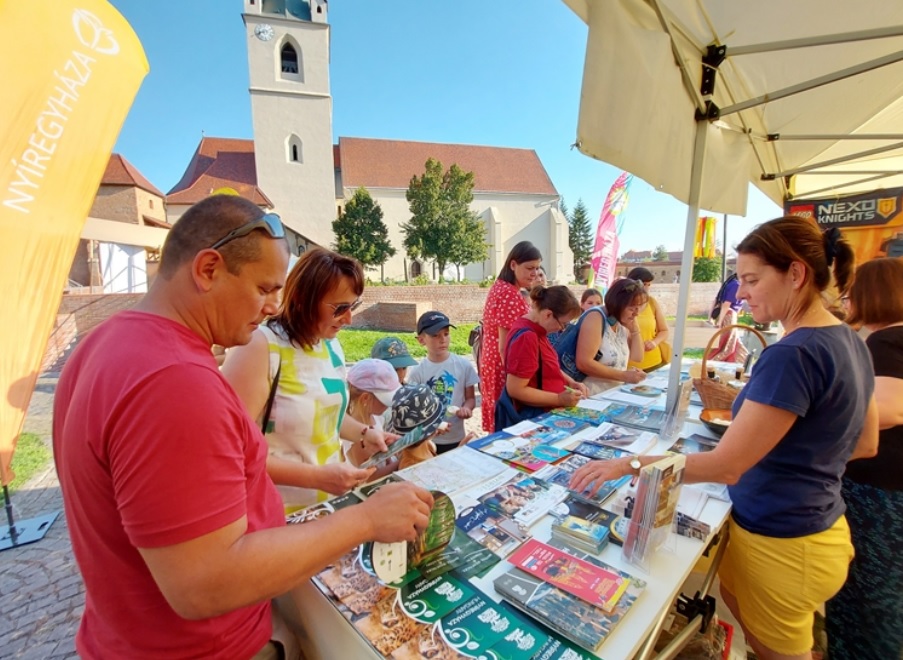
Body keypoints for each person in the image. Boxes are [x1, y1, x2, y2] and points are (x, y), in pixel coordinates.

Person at [52, 195, 433, 658]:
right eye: (263, 289)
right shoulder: (177, 383)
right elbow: (205, 585)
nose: (273, 306)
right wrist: (366, 519)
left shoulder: (105, 343)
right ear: (208, 269)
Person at [571, 217, 879, 660]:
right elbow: (865, 442)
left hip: (784, 541)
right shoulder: (848, 339)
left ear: (796, 274)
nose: (742, 293)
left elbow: (726, 465)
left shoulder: (792, 354)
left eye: (752, 279)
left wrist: (626, 465)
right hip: (819, 528)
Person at [222, 246, 394, 512]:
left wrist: (365, 433)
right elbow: (231, 452)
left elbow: (327, 416)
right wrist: (317, 477)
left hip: (326, 506)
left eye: (353, 306)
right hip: (275, 513)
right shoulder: (260, 347)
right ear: (303, 299)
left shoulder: (329, 345)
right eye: (340, 308)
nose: (349, 318)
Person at [825, 257, 903, 660]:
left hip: (880, 493)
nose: (847, 297)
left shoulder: (887, 342)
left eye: (853, 291)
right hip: (884, 488)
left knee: (870, 600)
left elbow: (887, 411)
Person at [479, 241, 542, 432]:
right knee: (505, 420)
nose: (534, 273)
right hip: (502, 364)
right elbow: (504, 345)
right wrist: (516, 377)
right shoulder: (509, 293)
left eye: (538, 268)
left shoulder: (502, 287)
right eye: (529, 268)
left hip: (492, 360)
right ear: (513, 265)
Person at [501, 285, 587, 422]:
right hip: (535, 416)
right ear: (548, 314)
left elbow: (547, 364)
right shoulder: (528, 337)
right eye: (563, 324)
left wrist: (570, 382)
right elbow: (515, 389)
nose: (561, 329)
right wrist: (559, 399)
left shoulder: (536, 329)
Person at [555, 278, 647, 395]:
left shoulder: (622, 321)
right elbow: (584, 363)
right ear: (617, 304)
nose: (636, 313)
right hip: (589, 394)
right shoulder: (595, 317)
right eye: (631, 308)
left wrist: (635, 331)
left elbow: (637, 357)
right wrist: (624, 376)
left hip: (611, 393)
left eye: (639, 308)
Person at [408, 311, 479, 454]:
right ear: (421, 340)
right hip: (428, 440)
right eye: (435, 335)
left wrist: (466, 408)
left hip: (456, 436)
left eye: (446, 334)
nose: (442, 340)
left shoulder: (463, 365)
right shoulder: (417, 372)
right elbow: (414, 409)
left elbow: (470, 398)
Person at [345, 358, 402, 476]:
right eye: (386, 401)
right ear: (365, 399)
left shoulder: (376, 418)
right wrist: (402, 462)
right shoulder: (356, 438)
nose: (389, 406)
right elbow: (369, 478)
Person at [626, 267, 670, 371]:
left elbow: (664, 330)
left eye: (648, 284)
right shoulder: (621, 304)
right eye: (644, 284)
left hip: (654, 362)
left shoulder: (652, 303)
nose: (646, 288)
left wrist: (654, 342)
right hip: (628, 365)